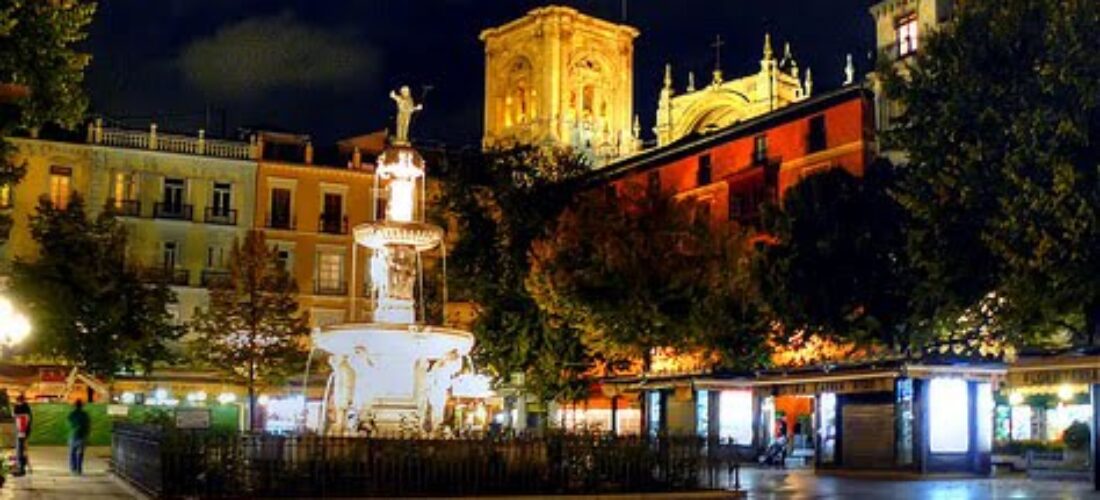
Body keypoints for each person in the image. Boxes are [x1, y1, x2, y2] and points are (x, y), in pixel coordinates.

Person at [66, 399, 90, 475]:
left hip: (73, 436)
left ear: (75, 405)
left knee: (72, 453)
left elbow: (68, 424)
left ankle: (73, 469)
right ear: (82, 406)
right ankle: (79, 469)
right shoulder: (85, 415)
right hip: (82, 436)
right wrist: (87, 435)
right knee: (80, 453)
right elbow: (88, 426)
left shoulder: (71, 414)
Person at [12, 394, 31, 476]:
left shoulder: (24, 409)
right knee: (20, 449)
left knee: (20, 449)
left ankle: (21, 468)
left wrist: (22, 431)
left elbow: (24, 418)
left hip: (22, 430)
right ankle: (21, 466)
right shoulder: (25, 408)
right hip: (22, 430)